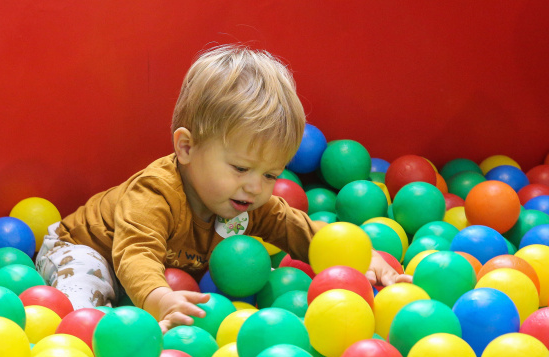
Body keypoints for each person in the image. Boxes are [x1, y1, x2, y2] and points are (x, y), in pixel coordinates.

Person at [36, 44, 410, 330]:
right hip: (83, 248)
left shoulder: (243, 201)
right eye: (240, 168)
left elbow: (294, 226)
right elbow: (136, 253)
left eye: (271, 175)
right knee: (86, 299)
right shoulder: (154, 194)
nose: (255, 187)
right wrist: (160, 300)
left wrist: (359, 258)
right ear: (187, 148)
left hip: (147, 275)